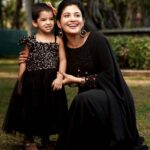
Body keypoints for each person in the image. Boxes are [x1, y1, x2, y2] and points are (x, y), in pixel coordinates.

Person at [18, 0, 148, 150]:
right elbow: (43, 39)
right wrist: (25, 59)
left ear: (83, 21)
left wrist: (79, 80)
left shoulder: (98, 40)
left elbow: (110, 76)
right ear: (59, 23)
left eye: (77, 15)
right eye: (67, 16)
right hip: (88, 98)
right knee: (80, 101)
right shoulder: (60, 46)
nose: (73, 19)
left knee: (83, 100)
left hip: (114, 95)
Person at [2, 3, 68, 150]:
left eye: (51, 19)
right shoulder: (30, 41)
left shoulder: (58, 40)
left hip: (51, 80)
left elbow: (63, 60)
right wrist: (20, 80)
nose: (48, 22)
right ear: (35, 22)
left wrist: (60, 77)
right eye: (43, 19)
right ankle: (29, 138)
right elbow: (24, 61)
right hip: (32, 82)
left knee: (49, 109)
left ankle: (46, 139)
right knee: (31, 109)